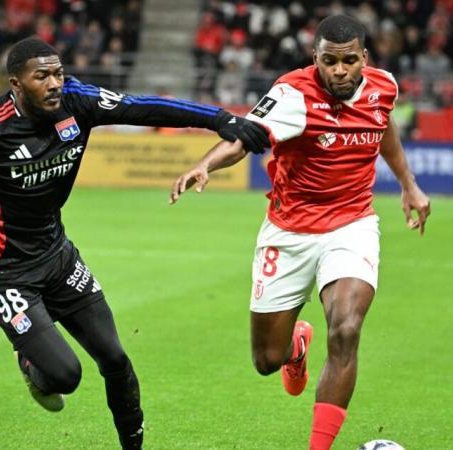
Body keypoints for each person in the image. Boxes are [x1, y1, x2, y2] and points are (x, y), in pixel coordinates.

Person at [0, 36, 269, 449]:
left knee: (115, 358)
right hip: (3, 271)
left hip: (57, 255)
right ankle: (30, 357)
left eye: (58, 72)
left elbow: (141, 106)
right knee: (65, 377)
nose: (55, 83)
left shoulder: (78, 100)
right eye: (42, 76)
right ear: (16, 84)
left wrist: (220, 119)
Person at [169, 14, 431, 450]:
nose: (340, 70)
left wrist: (408, 183)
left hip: (352, 224)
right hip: (288, 232)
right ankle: (295, 348)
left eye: (349, 60)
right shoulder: (292, 93)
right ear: (316, 58)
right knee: (266, 361)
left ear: (363, 58)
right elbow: (245, 136)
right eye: (330, 61)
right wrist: (205, 163)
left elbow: (384, 127)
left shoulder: (383, 87)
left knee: (346, 328)